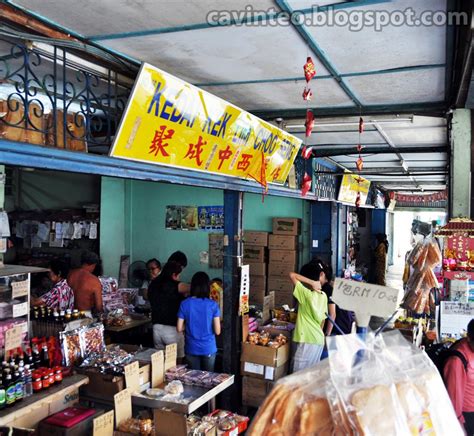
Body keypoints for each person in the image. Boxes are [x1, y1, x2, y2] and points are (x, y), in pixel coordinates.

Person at [177, 272, 221, 371]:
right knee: (208, 380)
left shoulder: (185, 303)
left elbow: (179, 328)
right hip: (208, 348)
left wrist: (189, 325)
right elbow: (218, 331)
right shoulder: (213, 305)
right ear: (207, 287)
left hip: (191, 348)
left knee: (193, 379)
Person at [289, 263, 328, 373]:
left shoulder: (306, 295)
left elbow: (292, 275)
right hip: (318, 340)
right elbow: (323, 321)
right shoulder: (323, 296)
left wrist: (311, 282)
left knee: (297, 377)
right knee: (309, 376)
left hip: (307, 340)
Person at [148, 261, 189, 360]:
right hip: (172, 330)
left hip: (156, 328)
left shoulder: (153, 284)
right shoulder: (175, 285)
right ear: (174, 274)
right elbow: (194, 288)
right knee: (177, 362)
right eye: (178, 275)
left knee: (160, 361)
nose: (179, 278)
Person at [444, 319, 474, 434]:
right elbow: (454, 395)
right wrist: (458, 425)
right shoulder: (456, 360)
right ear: (469, 338)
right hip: (466, 417)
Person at [316, 260, 354, 335]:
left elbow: (332, 314)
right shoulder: (330, 286)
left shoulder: (327, 289)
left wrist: (327, 334)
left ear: (322, 274)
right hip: (343, 327)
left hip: (339, 329)